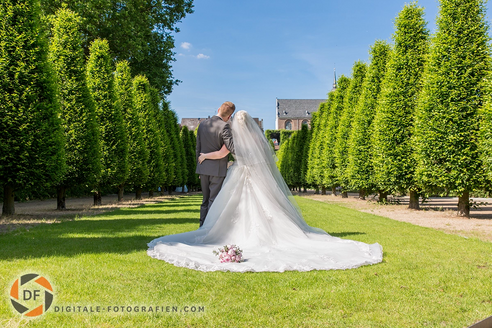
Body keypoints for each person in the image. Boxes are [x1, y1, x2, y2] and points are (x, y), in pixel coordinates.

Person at [147, 110, 383, 272]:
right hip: (256, 176)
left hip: (240, 174)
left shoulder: (233, 137)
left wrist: (205, 155)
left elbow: (222, 154)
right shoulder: (260, 140)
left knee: (231, 208)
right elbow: (267, 161)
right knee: (266, 206)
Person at [195, 101, 235, 227]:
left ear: (218, 109)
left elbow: (198, 148)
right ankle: (209, 229)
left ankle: (201, 227)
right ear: (229, 117)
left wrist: (200, 168)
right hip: (217, 170)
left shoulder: (202, 125)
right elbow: (231, 147)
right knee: (214, 201)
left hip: (203, 168)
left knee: (205, 201)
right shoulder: (224, 126)